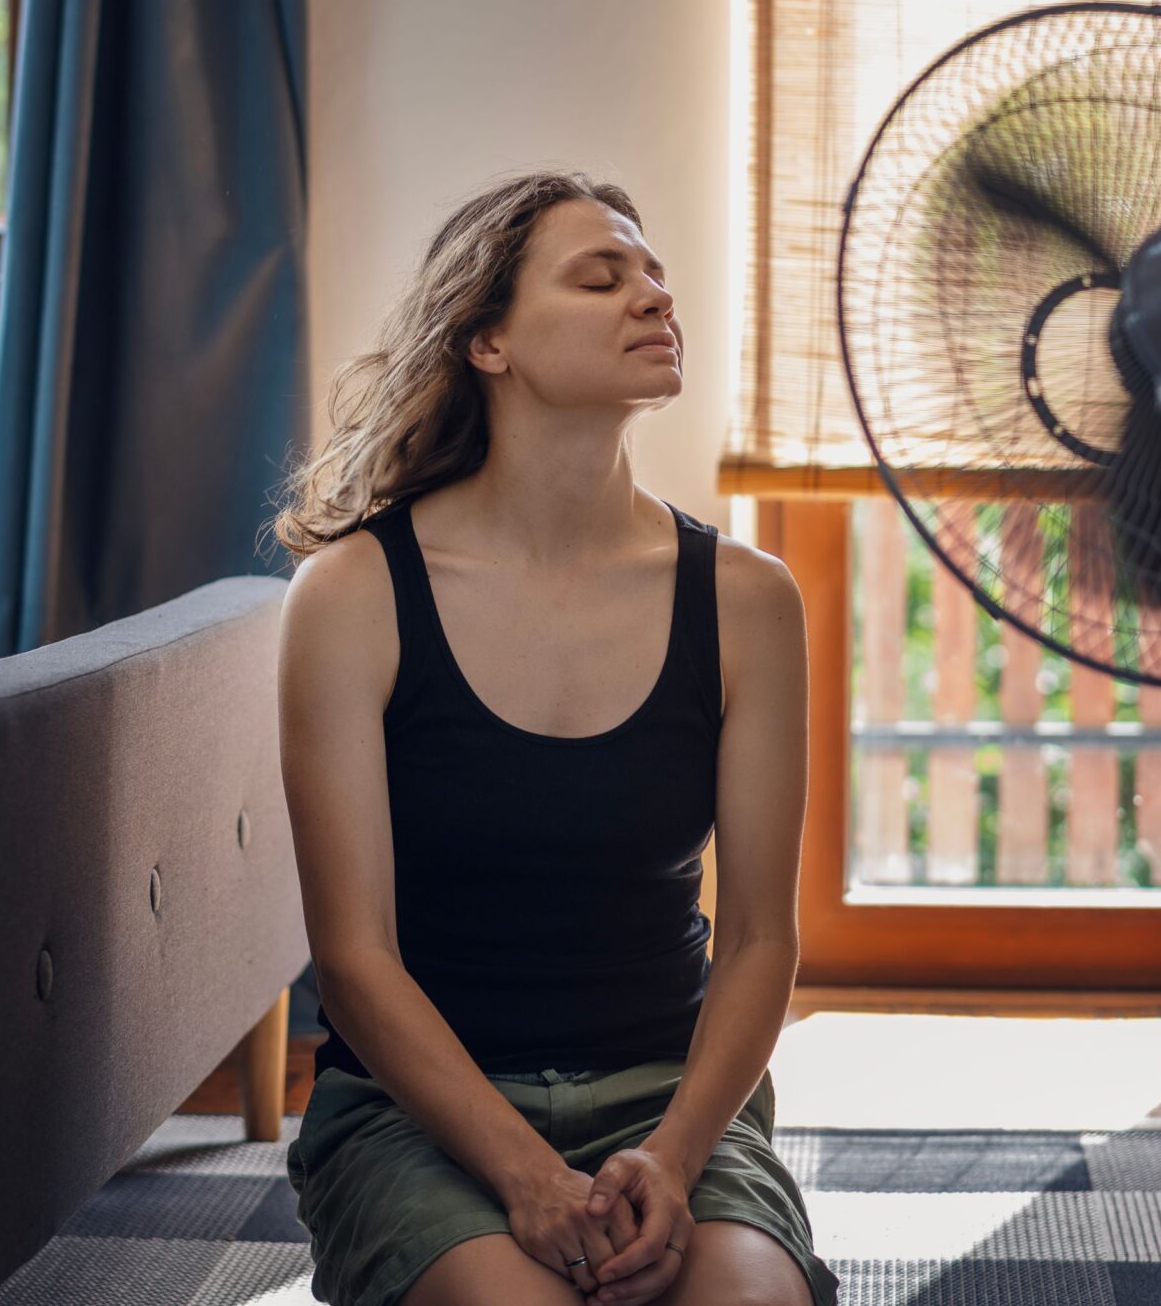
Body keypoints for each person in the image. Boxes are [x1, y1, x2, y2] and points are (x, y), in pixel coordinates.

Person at [264, 172, 841, 1306]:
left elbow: (762, 935)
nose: (653, 297)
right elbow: (353, 957)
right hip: (416, 1108)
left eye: (655, 275)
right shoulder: (351, 595)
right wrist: (526, 1174)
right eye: (602, 274)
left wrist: (674, 1157)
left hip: (667, 1101)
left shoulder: (746, 597)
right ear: (488, 339)